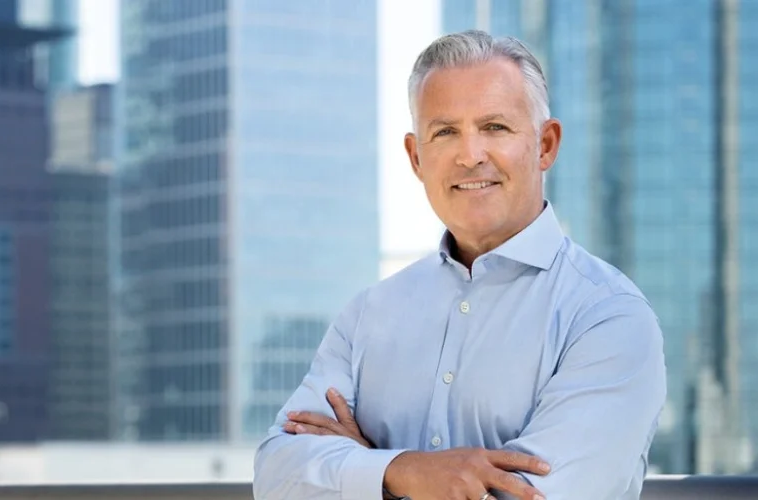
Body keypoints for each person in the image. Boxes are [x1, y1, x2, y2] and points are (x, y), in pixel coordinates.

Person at [253, 30, 667, 500]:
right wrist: (404, 470)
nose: (470, 155)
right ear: (416, 157)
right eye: (445, 132)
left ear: (545, 145)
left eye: (495, 127)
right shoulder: (368, 314)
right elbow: (276, 476)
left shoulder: (608, 318)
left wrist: (367, 474)